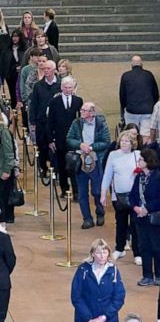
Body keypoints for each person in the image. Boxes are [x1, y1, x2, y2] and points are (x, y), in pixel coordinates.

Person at [72, 239, 126, 322]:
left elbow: (119, 298)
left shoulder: (114, 271)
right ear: (92, 254)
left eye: (105, 252)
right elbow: (76, 297)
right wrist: (89, 320)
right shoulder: (82, 270)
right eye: (98, 252)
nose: (102, 256)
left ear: (109, 253)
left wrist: (103, 318)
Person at [68, 102, 112, 229]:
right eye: (81, 110)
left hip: (96, 161)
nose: (81, 112)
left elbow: (106, 142)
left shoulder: (101, 124)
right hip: (80, 162)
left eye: (85, 110)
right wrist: (80, 145)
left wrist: (91, 147)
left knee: (97, 191)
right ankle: (87, 218)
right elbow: (69, 139)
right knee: (82, 193)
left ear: (92, 113)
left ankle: (100, 212)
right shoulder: (76, 123)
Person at [101, 131, 143, 261]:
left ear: (132, 143)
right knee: (120, 223)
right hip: (118, 197)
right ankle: (119, 248)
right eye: (122, 140)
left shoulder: (138, 155)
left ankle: (137, 253)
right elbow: (107, 175)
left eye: (127, 141)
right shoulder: (113, 155)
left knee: (136, 225)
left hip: (135, 197)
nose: (124, 143)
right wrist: (103, 194)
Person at [49, 76, 83, 195]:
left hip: (74, 140)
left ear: (74, 88)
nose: (68, 90)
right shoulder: (54, 102)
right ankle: (64, 189)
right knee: (62, 165)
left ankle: (76, 191)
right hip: (59, 139)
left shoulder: (78, 101)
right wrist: (50, 140)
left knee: (74, 165)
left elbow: (81, 121)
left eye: (70, 87)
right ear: (61, 87)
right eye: (66, 87)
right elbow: (50, 122)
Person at [130, 149, 160, 286]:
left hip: (154, 218)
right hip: (140, 218)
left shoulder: (158, 177)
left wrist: (147, 208)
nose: (139, 161)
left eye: (141, 159)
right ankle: (147, 275)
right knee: (144, 246)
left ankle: (158, 275)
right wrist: (136, 207)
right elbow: (132, 195)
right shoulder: (139, 177)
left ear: (148, 161)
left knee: (157, 247)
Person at [120, 56, 160, 130]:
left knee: (131, 134)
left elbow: (122, 96)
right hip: (147, 110)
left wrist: (123, 109)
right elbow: (156, 94)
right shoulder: (149, 75)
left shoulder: (125, 76)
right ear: (142, 64)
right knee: (146, 136)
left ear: (131, 65)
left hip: (132, 110)